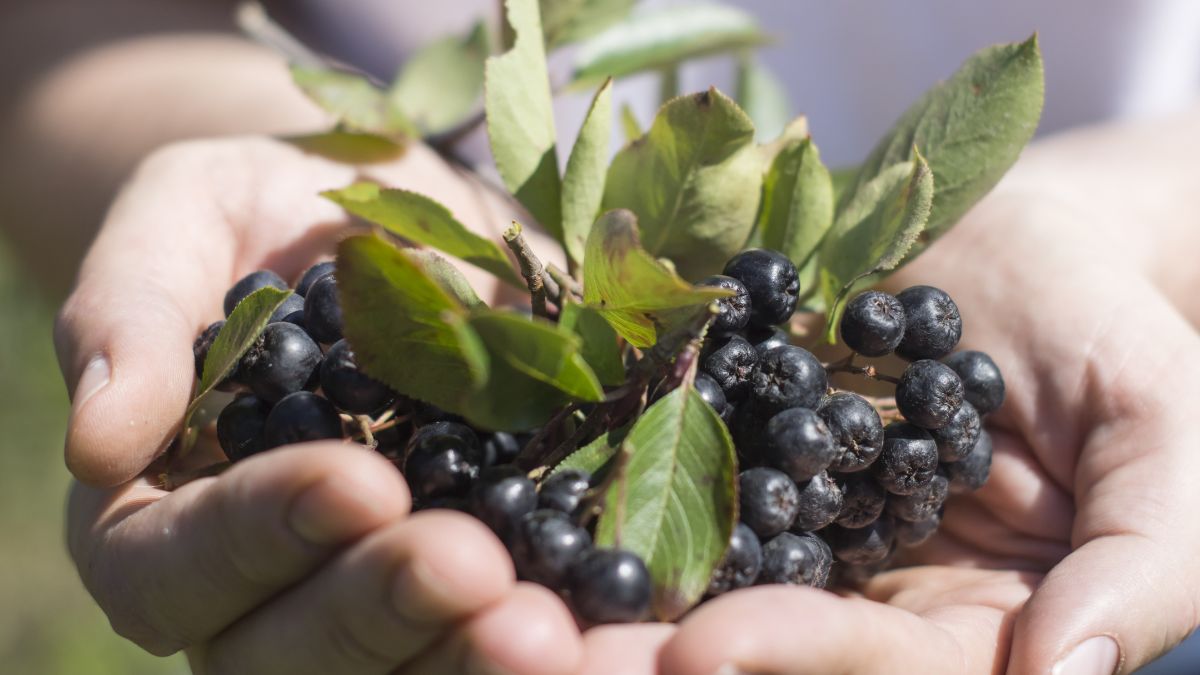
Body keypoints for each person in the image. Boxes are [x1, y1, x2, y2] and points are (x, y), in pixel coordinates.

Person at [5, 1, 1199, 673]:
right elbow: (64, 38)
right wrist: (237, 145)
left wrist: (1135, 219)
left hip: (1070, 503)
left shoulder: (861, 356)